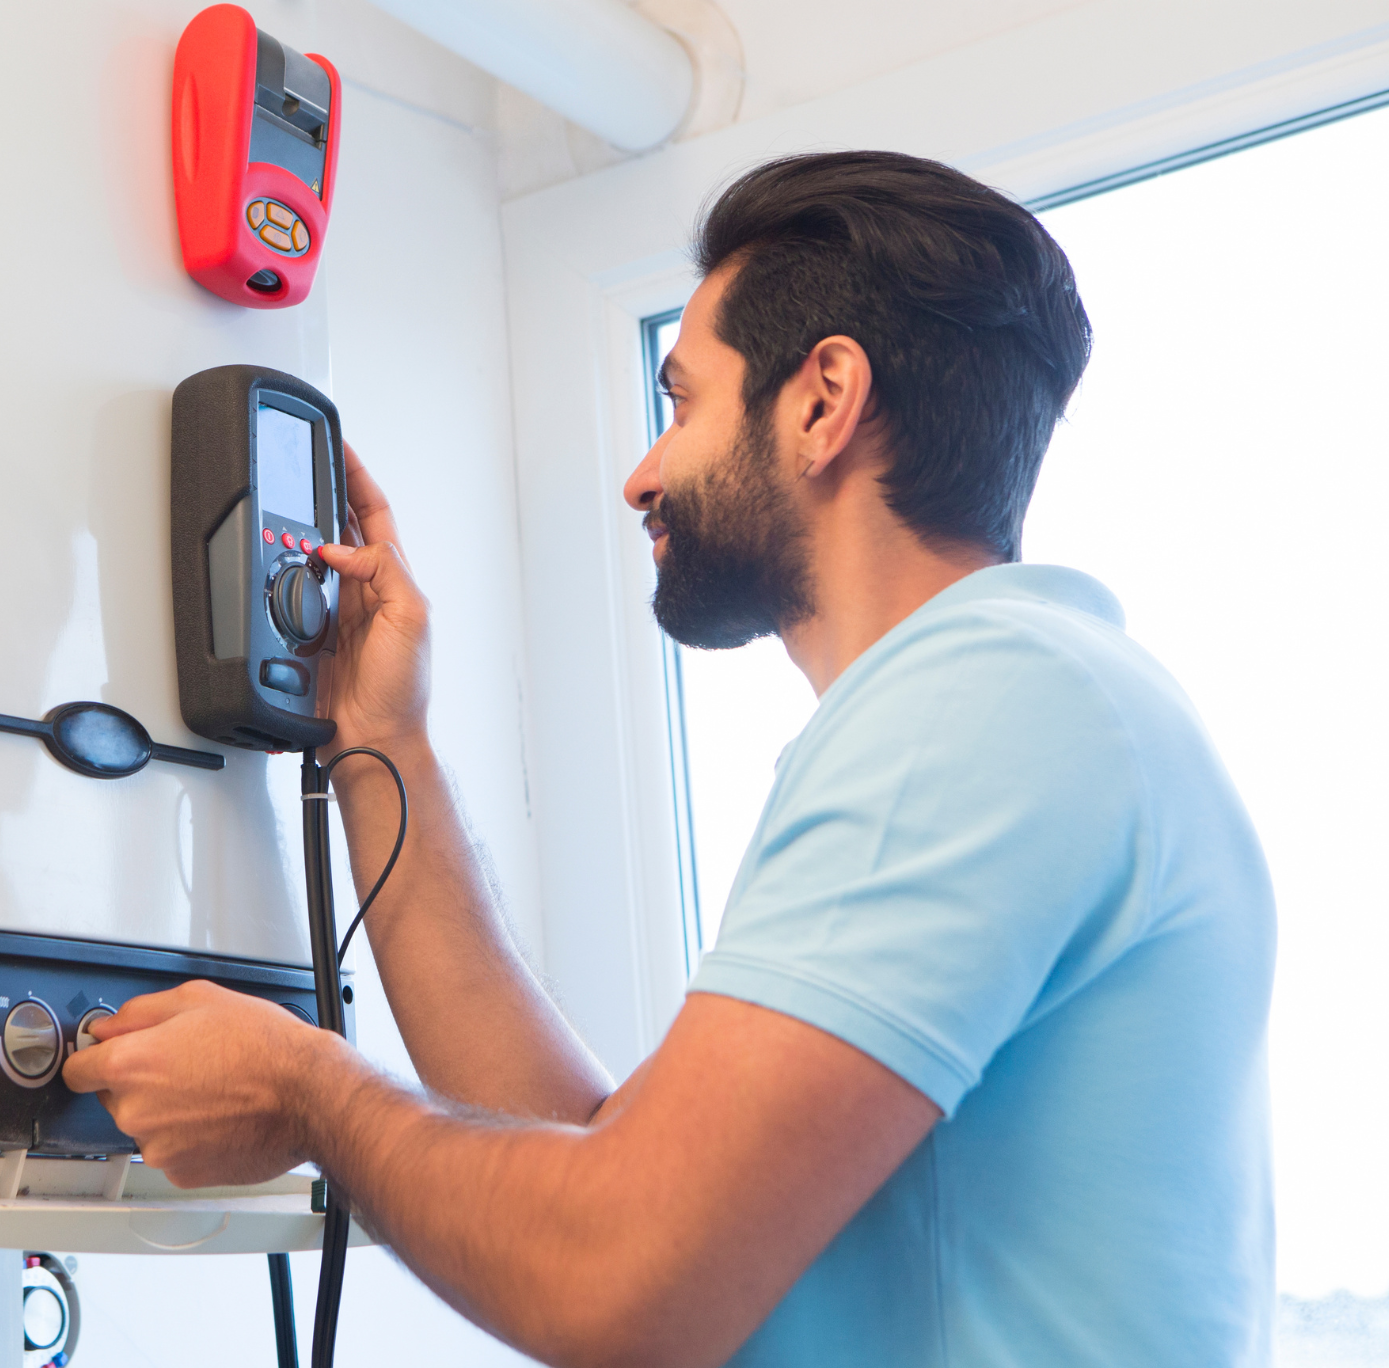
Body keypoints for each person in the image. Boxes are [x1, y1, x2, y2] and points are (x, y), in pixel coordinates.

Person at [63, 151, 1276, 1367]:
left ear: (821, 401)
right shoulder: (1035, 701)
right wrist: (384, 739)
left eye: (682, 404)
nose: (643, 473)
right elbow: (594, 1145)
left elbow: (619, 1277)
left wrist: (311, 1093)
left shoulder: (982, 707)